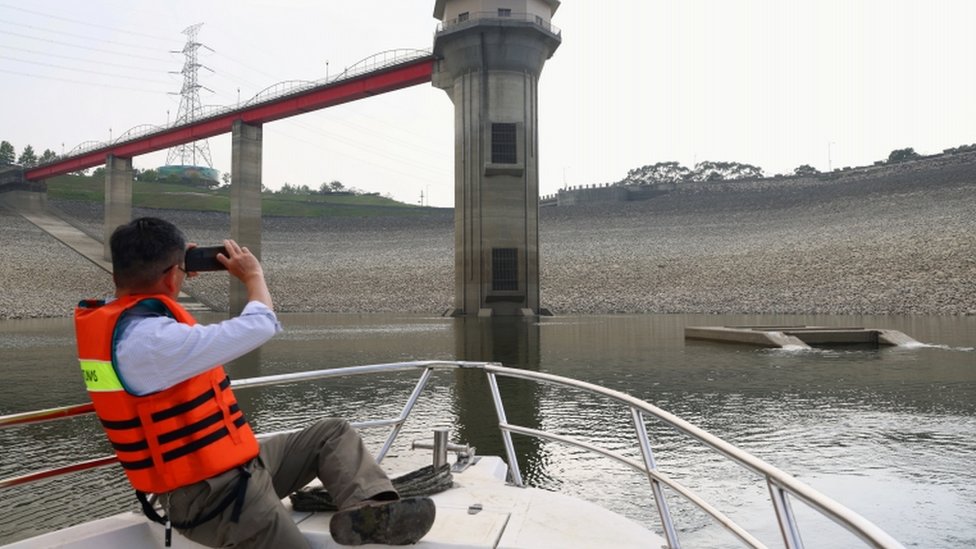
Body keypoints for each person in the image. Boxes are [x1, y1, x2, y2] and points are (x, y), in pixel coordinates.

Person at [74, 216, 435, 547]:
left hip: (240, 467)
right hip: (213, 497)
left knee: (332, 434)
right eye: (180, 272)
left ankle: (369, 510)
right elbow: (259, 324)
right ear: (172, 277)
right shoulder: (152, 343)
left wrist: (175, 270)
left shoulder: (128, 327)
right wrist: (253, 277)